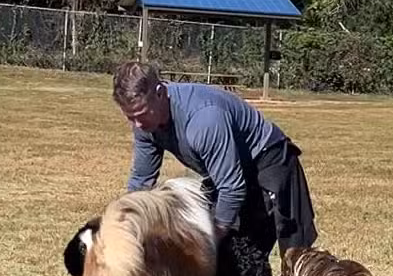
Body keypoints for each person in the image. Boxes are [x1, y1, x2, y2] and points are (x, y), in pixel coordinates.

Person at [112, 61, 317, 254]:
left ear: (160, 93)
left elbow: (231, 188)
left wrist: (210, 241)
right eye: (130, 117)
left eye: (141, 114)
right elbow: (142, 180)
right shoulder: (144, 126)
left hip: (270, 160)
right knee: (233, 260)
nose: (137, 124)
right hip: (229, 173)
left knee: (296, 256)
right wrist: (126, 225)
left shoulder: (203, 120)